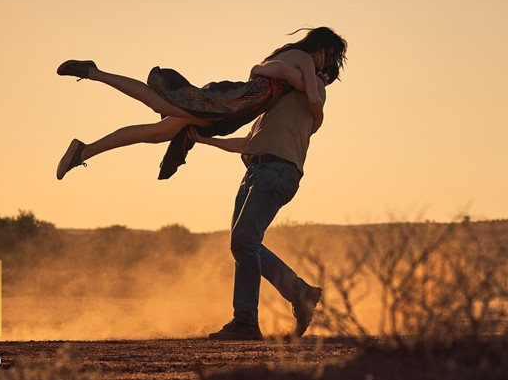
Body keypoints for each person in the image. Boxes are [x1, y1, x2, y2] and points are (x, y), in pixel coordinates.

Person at [54, 27, 347, 181]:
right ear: (321, 48)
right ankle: (93, 72)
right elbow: (311, 96)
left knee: (156, 133)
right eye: (330, 58)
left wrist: (277, 73)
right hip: (229, 101)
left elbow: (269, 71)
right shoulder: (304, 59)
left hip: (233, 109)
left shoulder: (293, 62)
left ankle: (84, 151)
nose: (326, 65)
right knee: (160, 105)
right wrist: (318, 115)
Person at [193, 57, 342, 339]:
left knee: (244, 241)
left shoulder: (313, 92)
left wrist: (263, 69)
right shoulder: (273, 108)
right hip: (256, 171)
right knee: (243, 245)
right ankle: (295, 296)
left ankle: (249, 320)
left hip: (276, 171)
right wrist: (202, 139)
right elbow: (245, 144)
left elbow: (287, 70)